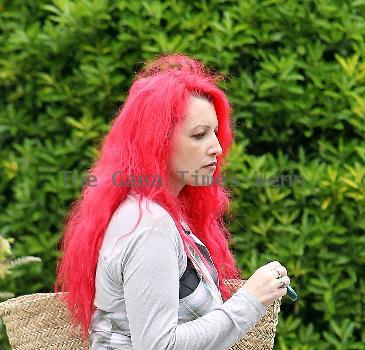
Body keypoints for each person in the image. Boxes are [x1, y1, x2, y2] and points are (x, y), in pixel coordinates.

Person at [55, 53, 290, 350]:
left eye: (215, 132)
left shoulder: (154, 211)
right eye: (199, 135)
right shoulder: (150, 227)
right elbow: (158, 346)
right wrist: (250, 300)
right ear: (158, 141)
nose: (217, 148)